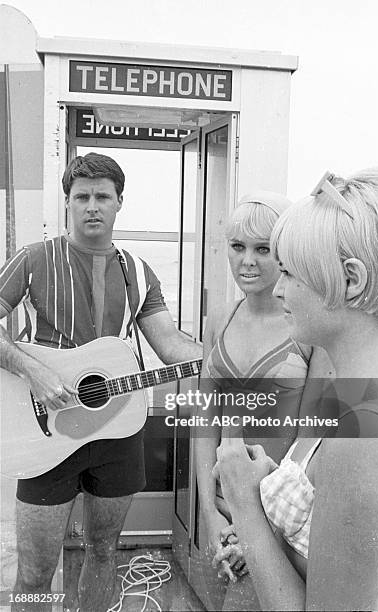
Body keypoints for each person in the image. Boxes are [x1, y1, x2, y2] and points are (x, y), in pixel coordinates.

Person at [0, 152, 201, 612]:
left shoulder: (138, 271)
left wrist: (220, 358)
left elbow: (168, 343)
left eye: (102, 197)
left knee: (104, 551)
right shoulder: (33, 260)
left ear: (119, 203)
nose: (92, 206)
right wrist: (34, 369)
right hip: (44, 431)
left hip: (118, 431)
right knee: (35, 569)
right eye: (82, 196)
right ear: (68, 203)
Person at [213, 168, 378, 611]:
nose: (278, 290)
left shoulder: (364, 439)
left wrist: (243, 502)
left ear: (351, 281)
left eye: (291, 274)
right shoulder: (358, 393)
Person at [194, 192, 332, 611]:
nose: (247, 261)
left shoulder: (308, 327)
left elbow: (313, 439)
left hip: (278, 515)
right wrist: (208, 512)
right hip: (221, 505)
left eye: (262, 249)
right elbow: (205, 420)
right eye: (237, 247)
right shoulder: (221, 316)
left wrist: (263, 528)